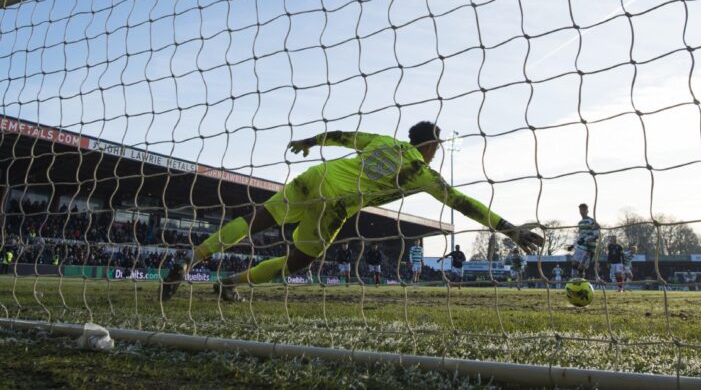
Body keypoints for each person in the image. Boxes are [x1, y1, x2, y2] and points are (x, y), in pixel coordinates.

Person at [160, 122, 542, 301]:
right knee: (297, 263)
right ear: (429, 146)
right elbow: (462, 202)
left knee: (257, 220)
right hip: (336, 207)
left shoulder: (382, 141)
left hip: (317, 177)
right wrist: (508, 229)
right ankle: (231, 283)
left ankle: (190, 260)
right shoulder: (422, 174)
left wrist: (310, 141)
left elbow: (341, 136)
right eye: (437, 146)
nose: (437, 151)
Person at [567, 203, 599, 278]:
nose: (582, 211)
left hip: (589, 249)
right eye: (581, 209)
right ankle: (574, 282)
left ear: (587, 211)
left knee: (581, 268)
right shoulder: (580, 223)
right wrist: (572, 245)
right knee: (574, 264)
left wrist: (585, 240)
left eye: (584, 209)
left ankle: (581, 282)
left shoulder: (591, 221)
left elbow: (596, 234)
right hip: (581, 247)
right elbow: (580, 236)